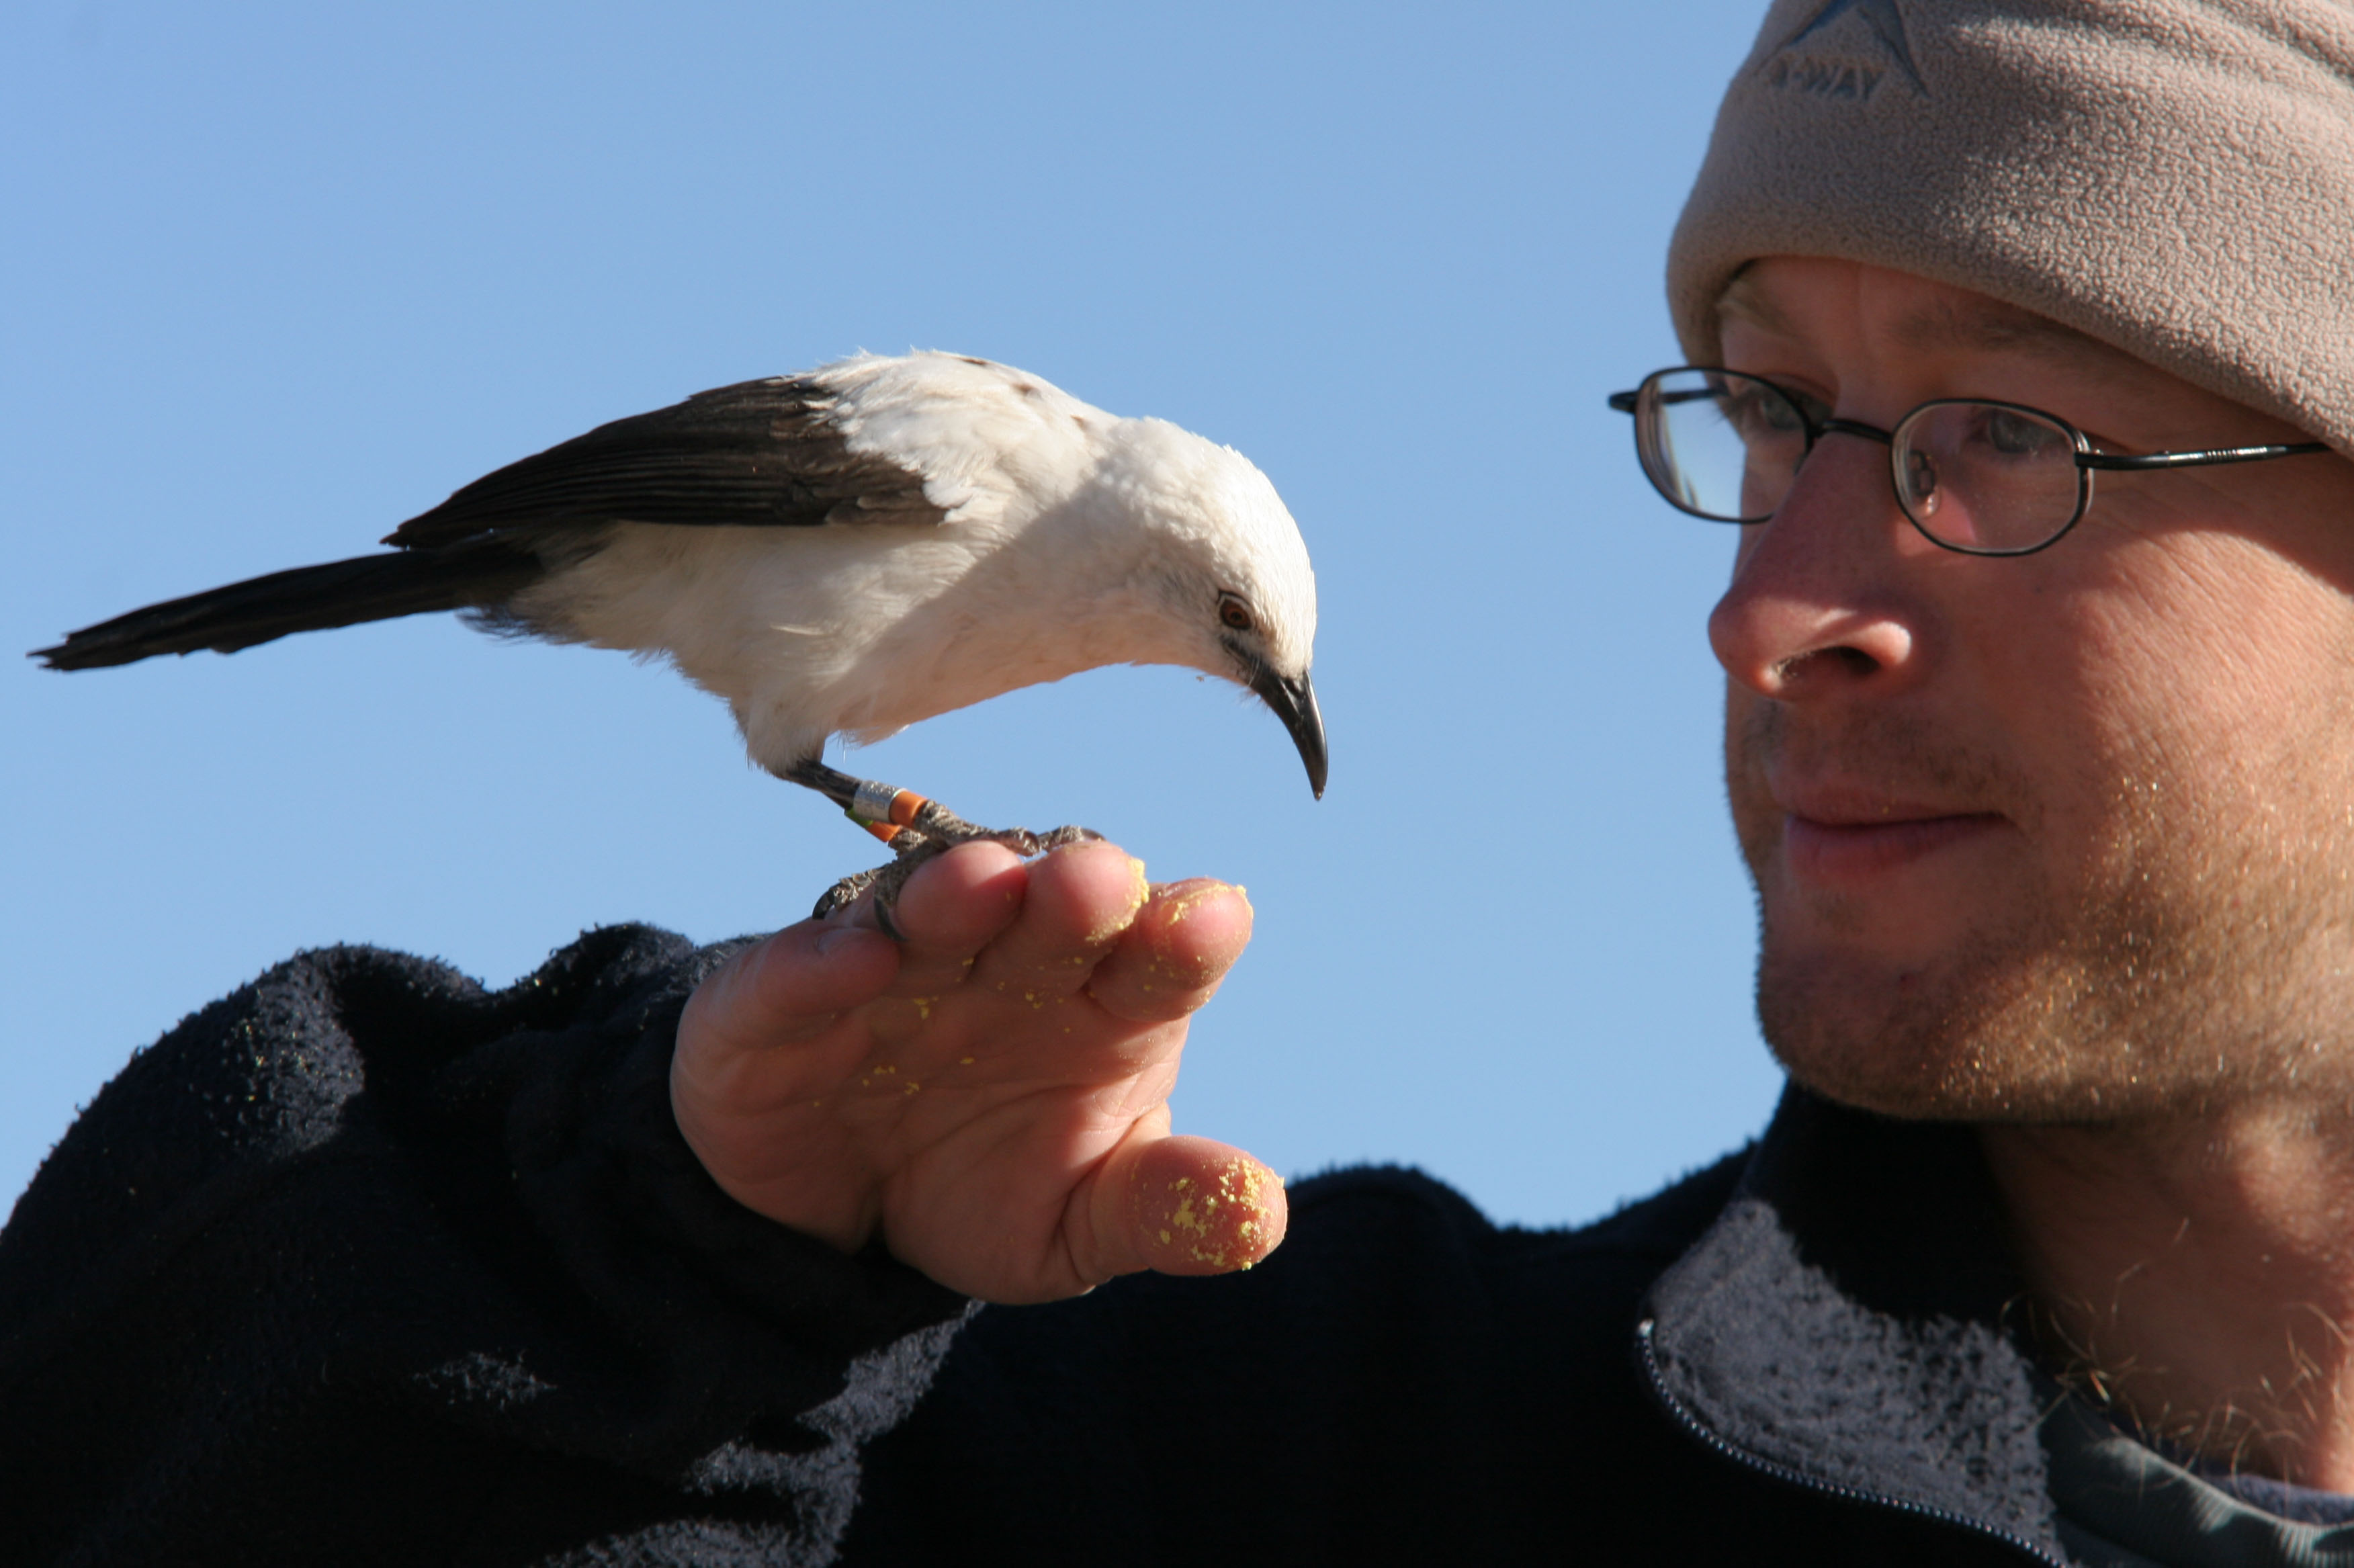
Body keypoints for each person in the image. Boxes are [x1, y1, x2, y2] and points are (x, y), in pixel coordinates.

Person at [8, 0, 2354, 1561]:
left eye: (2017, 438)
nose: (1766, 608)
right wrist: (654, 1251)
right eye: (1761, 418)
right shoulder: (1291, 1453)